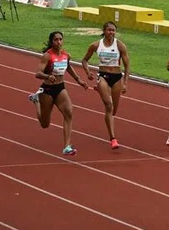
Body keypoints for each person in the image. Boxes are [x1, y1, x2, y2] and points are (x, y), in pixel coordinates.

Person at [28, 31, 89, 156]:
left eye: (61, 39)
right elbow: (37, 73)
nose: (59, 42)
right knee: (45, 124)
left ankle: (67, 146)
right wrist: (48, 76)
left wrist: (79, 80)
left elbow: (68, 67)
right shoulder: (47, 56)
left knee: (69, 113)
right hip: (47, 90)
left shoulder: (66, 55)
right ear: (52, 41)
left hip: (60, 88)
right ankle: (36, 101)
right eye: (56, 39)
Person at [80, 21, 129, 150]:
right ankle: (113, 138)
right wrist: (88, 72)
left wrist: (125, 82)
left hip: (117, 77)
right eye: (109, 30)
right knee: (109, 105)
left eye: (113, 30)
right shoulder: (96, 45)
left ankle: (102, 90)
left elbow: (127, 65)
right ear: (104, 31)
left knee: (114, 111)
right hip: (103, 76)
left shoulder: (120, 45)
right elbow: (84, 60)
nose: (111, 32)